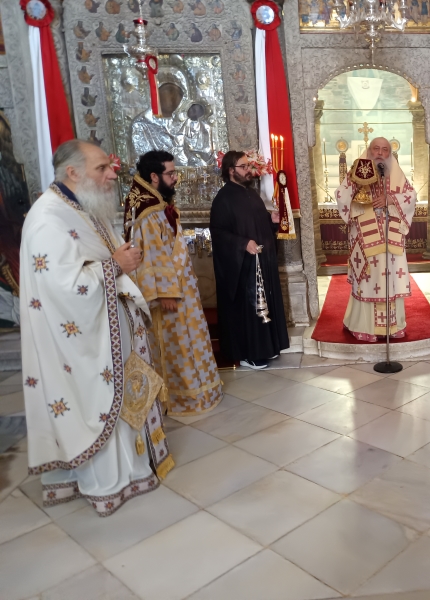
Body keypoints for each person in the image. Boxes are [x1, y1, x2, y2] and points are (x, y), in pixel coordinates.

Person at [20, 140, 173, 516]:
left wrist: (123, 259)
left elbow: (105, 254)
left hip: (110, 328)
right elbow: (61, 288)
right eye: (101, 168)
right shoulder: (47, 218)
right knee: (96, 401)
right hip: (82, 341)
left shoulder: (83, 205)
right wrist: (116, 265)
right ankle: (108, 482)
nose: (112, 174)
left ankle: (133, 470)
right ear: (73, 173)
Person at [123, 150, 222, 415]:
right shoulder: (147, 213)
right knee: (176, 344)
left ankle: (198, 391)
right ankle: (180, 397)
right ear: (154, 177)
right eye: (171, 173)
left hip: (180, 287)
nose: (176, 178)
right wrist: (166, 292)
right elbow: (151, 256)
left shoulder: (158, 204)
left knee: (189, 339)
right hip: (169, 295)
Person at [210, 150, 289, 369]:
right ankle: (248, 354)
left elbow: (257, 224)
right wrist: (243, 243)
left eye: (248, 166)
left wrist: (272, 220)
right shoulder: (223, 199)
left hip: (261, 262)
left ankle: (266, 348)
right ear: (231, 171)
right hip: (242, 267)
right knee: (249, 309)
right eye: (243, 167)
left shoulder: (251, 194)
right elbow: (218, 233)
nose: (248, 171)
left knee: (263, 306)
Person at [334, 137, 418, 341]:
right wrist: (360, 198)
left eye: (385, 149)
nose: (380, 153)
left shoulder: (396, 172)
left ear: (389, 153)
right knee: (367, 281)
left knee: (391, 281)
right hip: (365, 236)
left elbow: (411, 196)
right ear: (369, 150)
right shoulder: (358, 170)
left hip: (391, 237)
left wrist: (390, 199)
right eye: (376, 149)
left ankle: (393, 326)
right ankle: (361, 326)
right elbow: (341, 195)